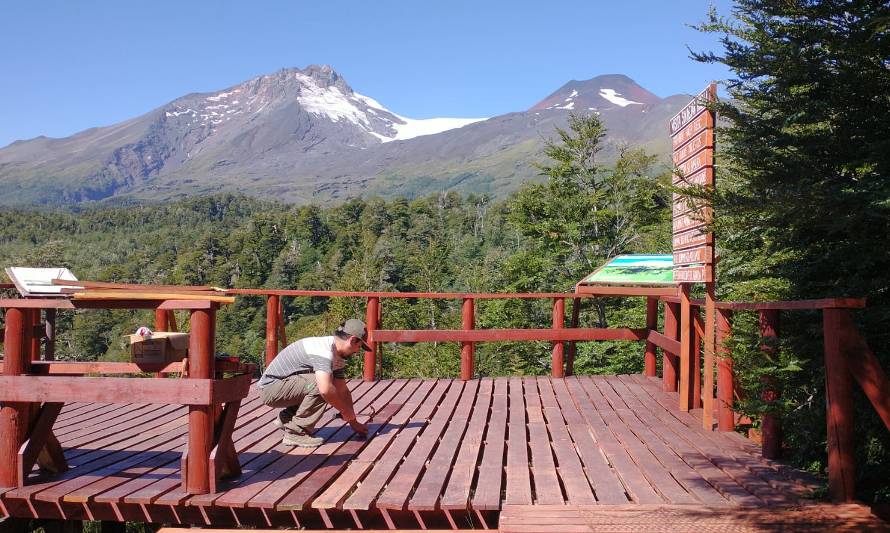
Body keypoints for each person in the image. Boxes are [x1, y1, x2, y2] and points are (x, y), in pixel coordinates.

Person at [258, 319, 370, 447]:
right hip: (271, 389)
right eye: (359, 346)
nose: (357, 352)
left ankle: (287, 419)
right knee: (321, 385)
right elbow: (325, 390)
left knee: (324, 383)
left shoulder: (335, 353)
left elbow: (342, 390)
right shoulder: (323, 352)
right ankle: (296, 433)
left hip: (283, 386)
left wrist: (353, 422)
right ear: (352, 340)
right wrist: (345, 411)